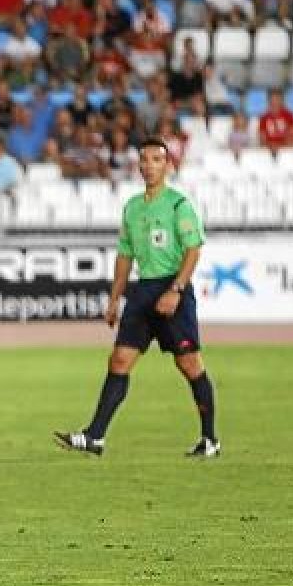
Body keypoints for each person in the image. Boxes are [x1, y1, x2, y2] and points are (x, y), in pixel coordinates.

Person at [55, 138, 220, 458]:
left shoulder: (178, 204)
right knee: (119, 360)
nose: (148, 166)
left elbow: (194, 249)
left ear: (167, 165)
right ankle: (95, 437)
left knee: (189, 364)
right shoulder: (132, 206)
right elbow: (125, 255)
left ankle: (210, 439)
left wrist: (176, 290)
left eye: (156, 160)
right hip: (143, 291)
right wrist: (115, 299)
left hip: (172, 289)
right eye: (143, 160)